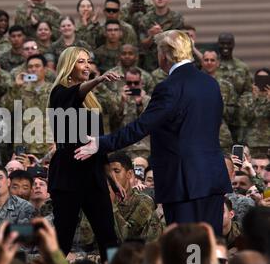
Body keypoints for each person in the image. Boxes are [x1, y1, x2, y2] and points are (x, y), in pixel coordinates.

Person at [75, 30, 232, 235]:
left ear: (165, 54)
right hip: (212, 178)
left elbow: (142, 126)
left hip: (183, 182)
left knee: (186, 246)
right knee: (209, 243)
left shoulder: (169, 87)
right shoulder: (210, 83)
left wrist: (100, 143)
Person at [47, 46, 120, 261]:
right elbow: (75, 94)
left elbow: (99, 144)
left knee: (108, 236)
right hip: (68, 175)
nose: (86, 65)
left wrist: (112, 179)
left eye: (88, 61)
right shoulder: (59, 93)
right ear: (68, 66)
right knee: (63, 239)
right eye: (80, 61)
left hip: (94, 175)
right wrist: (98, 80)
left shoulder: (91, 101)